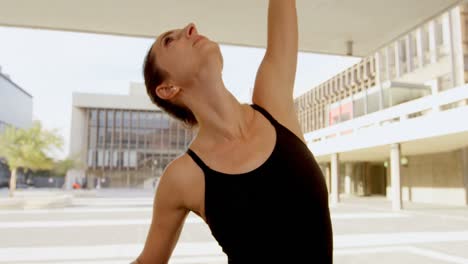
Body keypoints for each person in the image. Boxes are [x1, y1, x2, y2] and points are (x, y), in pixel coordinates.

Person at [132, 0, 332, 263]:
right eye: (169, 41)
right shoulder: (183, 177)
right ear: (167, 88)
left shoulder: (274, 105)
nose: (191, 27)